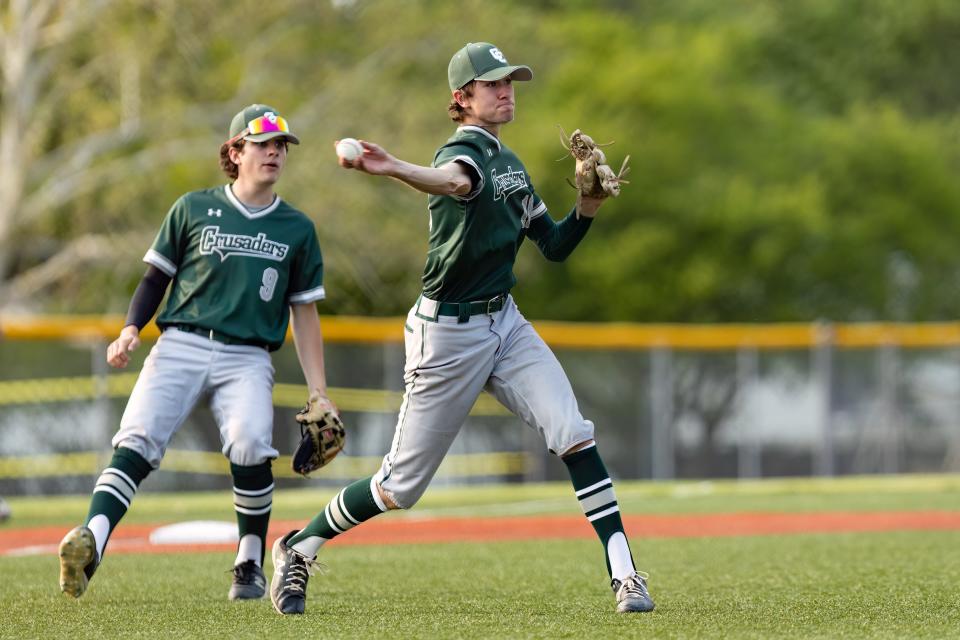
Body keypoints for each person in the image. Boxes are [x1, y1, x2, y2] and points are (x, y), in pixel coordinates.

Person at [269, 42, 655, 615]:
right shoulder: (464, 151)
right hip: (446, 338)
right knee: (399, 487)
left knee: (573, 431)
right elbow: (451, 181)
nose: (505, 91)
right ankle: (298, 547)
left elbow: (553, 247)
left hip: (505, 322)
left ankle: (626, 575)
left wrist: (587, 205)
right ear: (462, 98)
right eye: (491, 83)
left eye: (509, 82)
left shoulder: (513, 164)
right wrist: (394, 167)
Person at [58, 104, 332, 602]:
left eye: (280, 146)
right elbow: (155, 277)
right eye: (262, 143)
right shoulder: (192, 207)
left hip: (248, 354)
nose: (274, 152)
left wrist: (319, 391)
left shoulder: (297, 228)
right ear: (235, 151)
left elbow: (305, 314)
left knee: (251, 444)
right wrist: (129, 330)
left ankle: (249, 560)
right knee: (137, 440)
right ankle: (91, 542)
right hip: (180, 343)